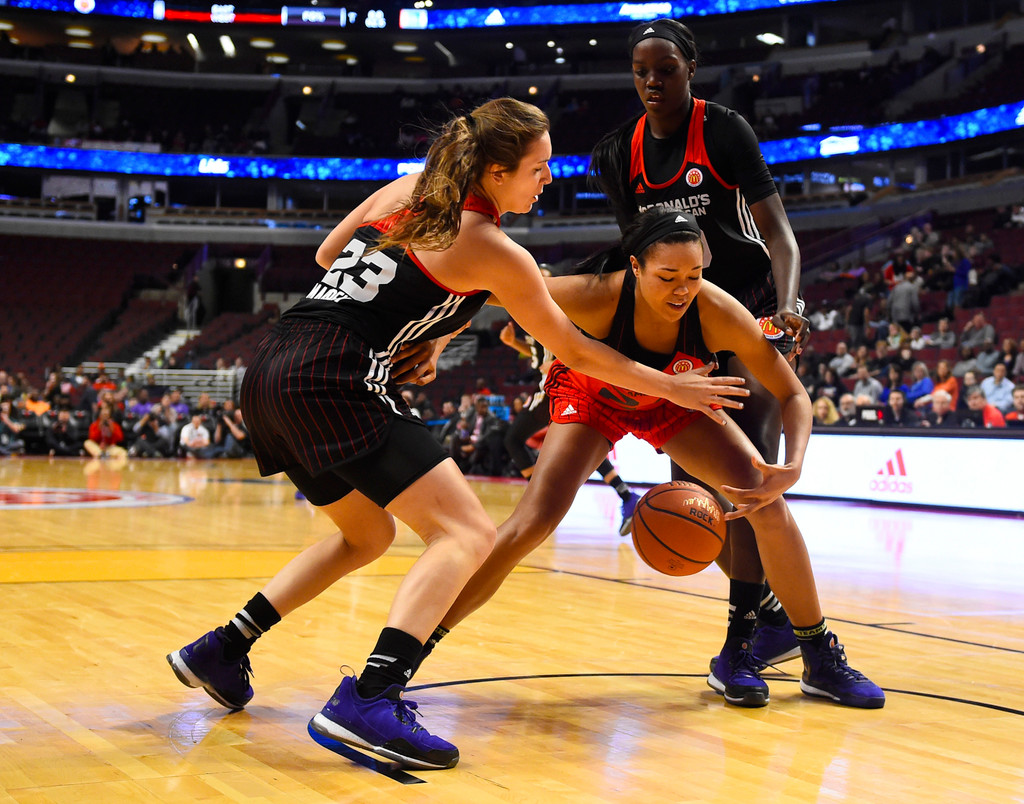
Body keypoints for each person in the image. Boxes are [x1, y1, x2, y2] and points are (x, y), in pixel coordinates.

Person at [167, 99, 751, 770]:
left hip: (272, 369)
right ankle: (370, 696)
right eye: (538, 167)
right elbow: (578, 350)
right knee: (468, 533)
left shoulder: (411, 190)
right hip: (334, 377)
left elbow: (333, 253)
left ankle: (225, 647)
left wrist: (428, 329)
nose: (547, 178)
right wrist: (674, 385)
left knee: (368, 535)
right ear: (497, 172)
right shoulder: (492, 247)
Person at [419, 210, 884, 711]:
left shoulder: (717, 311)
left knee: (763, 498)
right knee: (532, 522)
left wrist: (793, 464)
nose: (682, 290)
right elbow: (483, 289)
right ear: (636, 267)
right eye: (667, 277)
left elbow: (793, 395)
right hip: (594, 394)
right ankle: (411, 649)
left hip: (671, 403)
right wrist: (433, 338)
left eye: (694, 275)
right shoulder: (593, 294)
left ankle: (818, 652)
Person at [587, 18, 813, 670]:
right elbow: (636, 257)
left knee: (746, 484)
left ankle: (740, 641)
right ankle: (769, 616)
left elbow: (780, 235)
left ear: (690, 68)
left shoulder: (722, 130)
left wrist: (790, 308)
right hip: (679, 328)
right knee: (696, 506)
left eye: (665, 69)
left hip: (747, 316)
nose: (652, 82)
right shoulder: (617, 153)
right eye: (641, 72)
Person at [499, 320, 642, 535]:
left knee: (513, 439)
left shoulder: (549, 304)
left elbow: (577, 340)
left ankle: (539, 500)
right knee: (583, 446)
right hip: (557, 383)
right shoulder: (530, 312)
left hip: (557, 385)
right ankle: (627, 496)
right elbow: (539, 352)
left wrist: (561, 363)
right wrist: (514, 343)